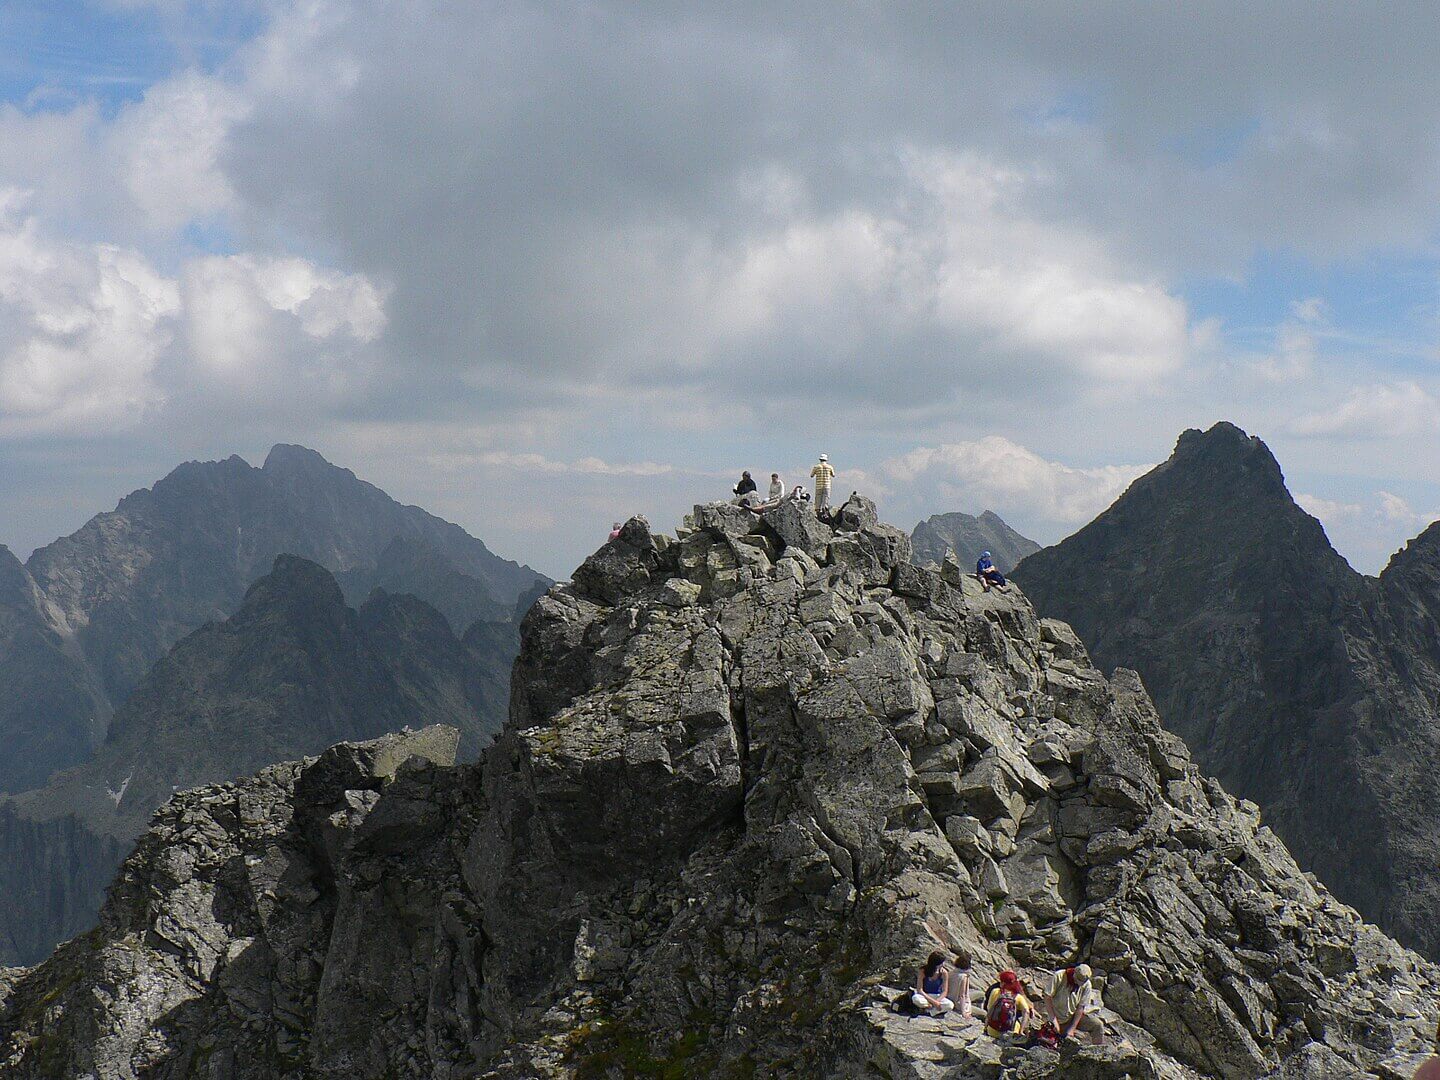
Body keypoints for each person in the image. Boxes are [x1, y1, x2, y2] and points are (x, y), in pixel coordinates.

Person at [1044, 964, 1104, 1045]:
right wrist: (1053, 1020)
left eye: (1082, 982)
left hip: (1072, 1017)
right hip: (1057, 1018)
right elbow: (1047, 997)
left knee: (1098, 1025)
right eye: (1078, 980)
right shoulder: (1059, 976)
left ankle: (1099, 1051)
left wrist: (1072, 1028)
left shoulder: (1086, 985)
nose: (1079, 984)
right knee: (1052, 1043)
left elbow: (1080, 1007)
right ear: (1074, 973)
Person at [983, 969, 1033, 1039]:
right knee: (1018, 1024)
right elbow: (1026, 1012)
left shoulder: (995, 991)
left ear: (1003, 983)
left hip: (992, 1031)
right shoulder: (1018, 997)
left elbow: (989, 1010)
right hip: (1010, 1033)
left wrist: (985, 1027)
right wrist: (1021, 1031)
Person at [911, 951, 954, 1017]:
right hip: (924, 995)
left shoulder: (944, 973)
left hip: (936, 996)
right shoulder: (923, 971)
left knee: (950, 1005)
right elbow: (920, 990)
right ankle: (931, 1008)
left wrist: (937, 1001)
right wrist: (934, 1002)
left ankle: (929, 1011)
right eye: (941, 963)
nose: (943, 964)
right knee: (915, 999)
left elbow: (945, 991)